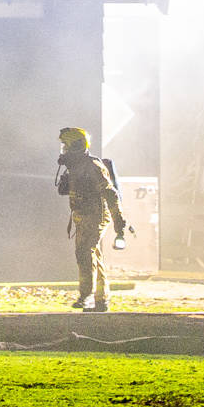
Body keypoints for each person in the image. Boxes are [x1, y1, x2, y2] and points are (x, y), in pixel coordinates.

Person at [56, 126, 128, 312]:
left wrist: (119, 221)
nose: (63, 151)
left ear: (76, 146)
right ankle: (101, 299)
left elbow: (110, 194)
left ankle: (86, 295)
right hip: (82, 215)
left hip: (96, 215)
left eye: (66, 146)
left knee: (84, 251)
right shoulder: (75, 166)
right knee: (93, 253)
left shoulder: (93, 166)